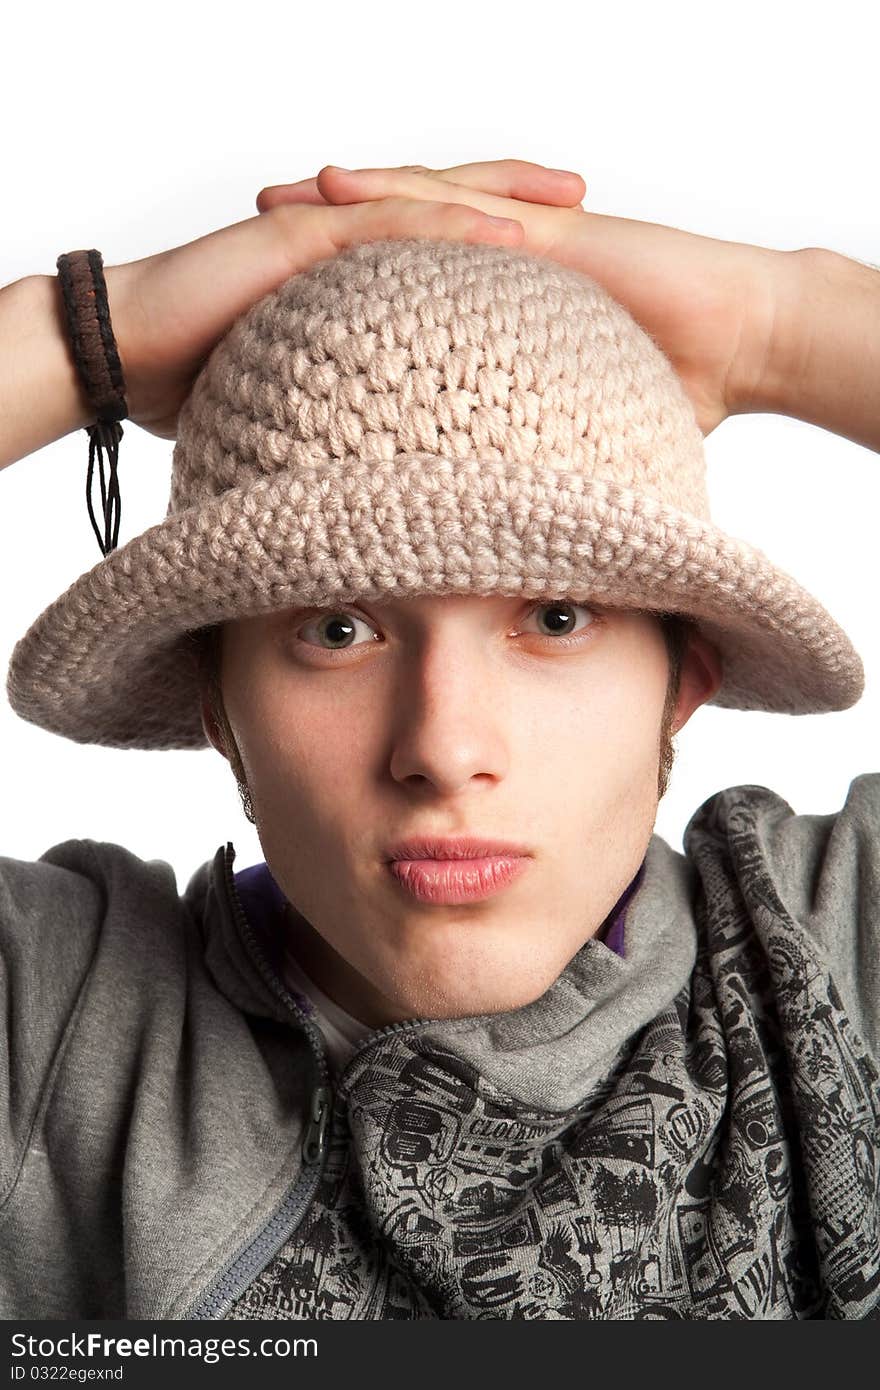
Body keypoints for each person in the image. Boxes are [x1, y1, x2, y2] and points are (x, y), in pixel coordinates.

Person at [0, 161, 877, 1322]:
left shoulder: (827, 955)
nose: (443, 746)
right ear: (219, 705)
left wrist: (782, 325)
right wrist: (83, 338)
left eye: (554, 619)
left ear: (682, 686)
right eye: (337, 627)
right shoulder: (56, 1028)